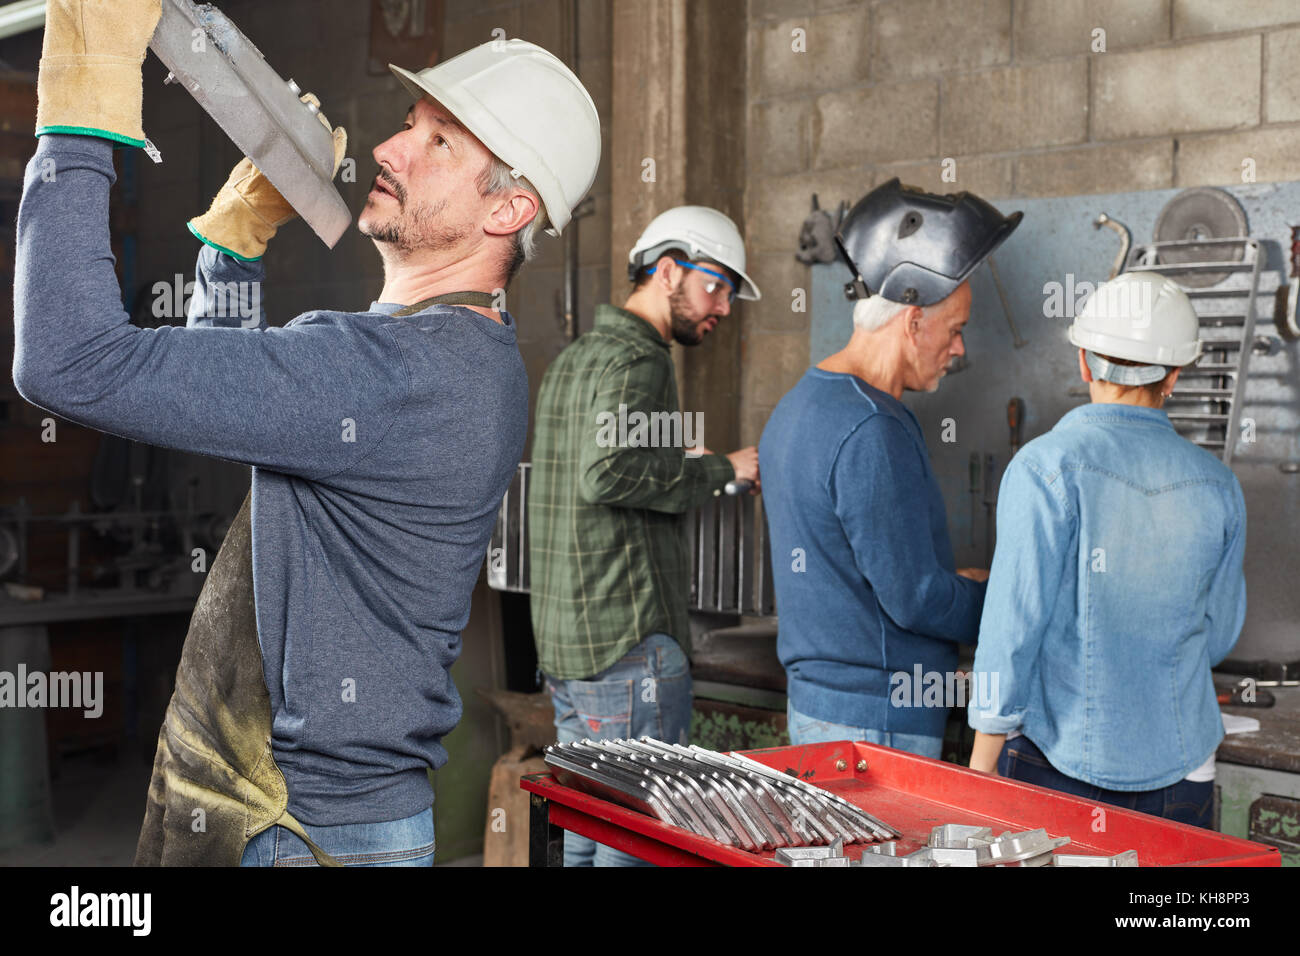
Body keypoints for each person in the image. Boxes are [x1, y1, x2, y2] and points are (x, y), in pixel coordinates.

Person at [15, 2, 600, 866]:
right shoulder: (457, 354)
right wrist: (234, 243)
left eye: (441, 143)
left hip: (299, 833)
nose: (393, 148)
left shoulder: (396, 369)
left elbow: (66, 361)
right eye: (410, 124)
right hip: (320, 821)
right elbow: (224, 405)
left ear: (509, 210)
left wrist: (82, 103)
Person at [967, 271, 1246, 829]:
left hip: (1060, 763)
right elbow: (1218, 636)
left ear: (1084, 362)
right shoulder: (1218, 485)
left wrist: (978, 773)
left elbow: (1010, 635)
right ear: (1173, 376)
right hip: (1186, 767)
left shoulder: (1045, 468)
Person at [528, 205, 761, 866]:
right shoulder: (642, 360)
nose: (722, 307)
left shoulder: (577, 358)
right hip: (626, 645)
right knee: (637, 838)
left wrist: (679, 458)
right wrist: (720, 470)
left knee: (584, 827)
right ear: (666, 271)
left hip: (569, 642)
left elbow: (594, 464)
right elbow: (608, 473)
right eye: (715, 285)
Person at [759, 179, 1021, 758]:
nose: (958, 351)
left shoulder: (800, 402)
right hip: (876, 723)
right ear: (912, 321)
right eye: (955, 330)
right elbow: (915, 599)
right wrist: (999, 604)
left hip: (826, 711)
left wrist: (954, 586)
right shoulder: (872, 427)